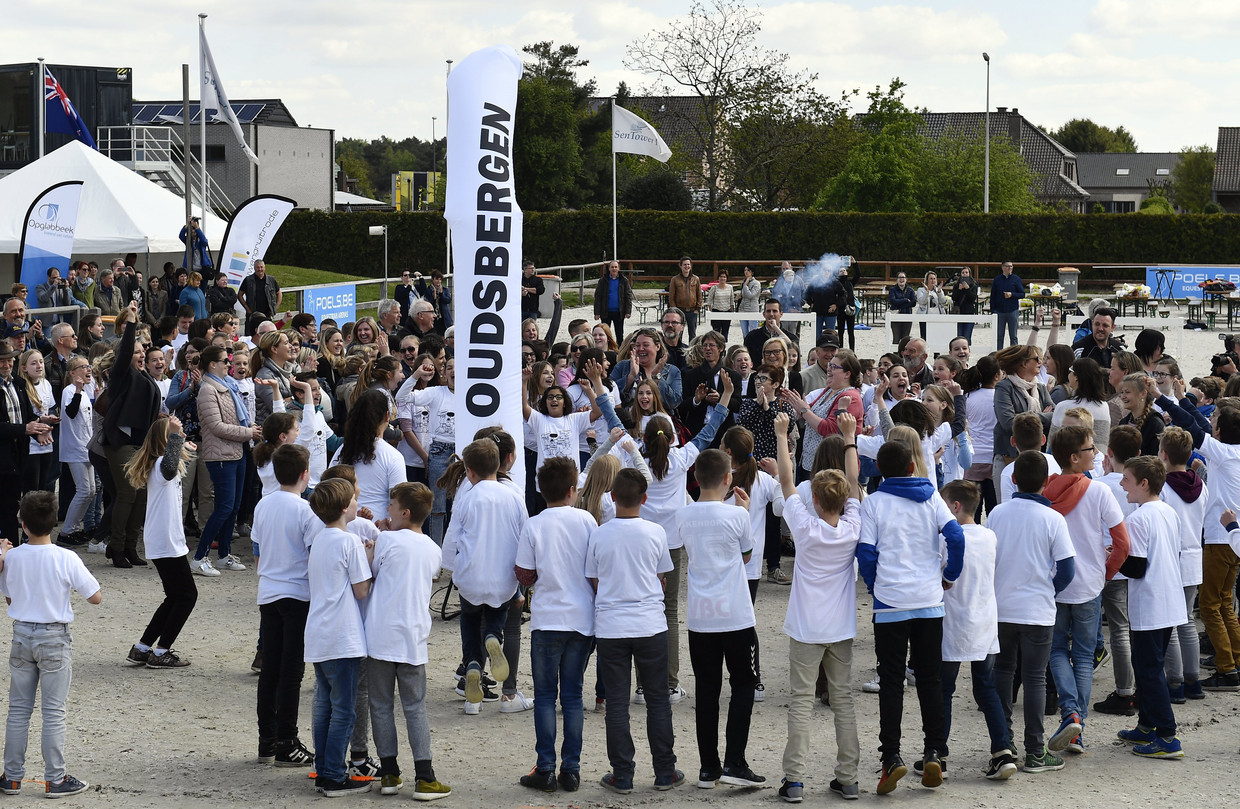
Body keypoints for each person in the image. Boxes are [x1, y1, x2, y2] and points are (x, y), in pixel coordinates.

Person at [857, 438, 964, 793]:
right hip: (929, 600)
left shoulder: (873, 503)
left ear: (880, 471)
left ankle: (891, 758)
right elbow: (956, 537)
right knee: (931, 679)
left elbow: (867, 554)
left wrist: (875, 588)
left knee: (891, 682)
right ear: (911, 467)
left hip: (891, 604)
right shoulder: (932, 496)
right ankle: (935, 750)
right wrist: (949, 575)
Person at [772, 410, 861, 801]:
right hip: (840, 626)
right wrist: (849, 438)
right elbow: (856, 483)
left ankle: (794, 779)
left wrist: (782, 435)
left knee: (801, 702)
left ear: (815, 498)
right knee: (842, 700)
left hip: (807, 626)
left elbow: (787, 480)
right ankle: (849, 775)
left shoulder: (805, 529)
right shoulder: (853, 525)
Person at [586, 468, 683, 794]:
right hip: (650, 625)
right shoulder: (656, 533)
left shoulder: (599, 534)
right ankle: (665, 770)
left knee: (616, 704)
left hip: (612, 625)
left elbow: (594, 579)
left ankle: (623, 773)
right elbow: (662, 576)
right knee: (657, 700)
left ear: (612, 497)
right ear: (645, 498)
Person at [0, 491, 101, 798]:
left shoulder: (12, 557)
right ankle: (55, 778)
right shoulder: (66, 557)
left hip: (22, 635)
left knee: (18, 709)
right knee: (53, 711)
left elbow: (9, 597)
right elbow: (95, 597)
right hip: (54, 636)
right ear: (54, 521)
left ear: (23, 524)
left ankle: (12, 776)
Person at [676, 449, 763, 789]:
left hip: (701, 617)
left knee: (707, 689)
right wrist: (743, 510)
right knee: (743, 682)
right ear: (728, 479)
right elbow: (745, 555)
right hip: (735, 614)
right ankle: (735, 761)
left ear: (696, 479)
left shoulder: (684, 516)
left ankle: (709, 767)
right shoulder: (737, 516)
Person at [1043, 425, 1130, 754]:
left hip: (1054, 585)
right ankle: (1077, 728)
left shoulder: (1045, 493)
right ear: (1074, 457)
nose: (1096, 453)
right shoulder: (1099, 492)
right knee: (1082, 656)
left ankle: (1071, 714)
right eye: (1090, 448)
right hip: (1090, 585)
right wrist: (1105, 574)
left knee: (1056, 653)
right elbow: (1122, 544)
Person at [989, 451, 1076, 774]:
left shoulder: (997, 513)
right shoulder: (1054, 518)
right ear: (1047, 482)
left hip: (1002, 606)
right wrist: (1048, 589)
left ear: (1013, 479)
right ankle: (1036, 751)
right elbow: (1067, 568)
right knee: (1035, 679)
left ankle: (1003, 744)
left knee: (1003, 673)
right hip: (1037, 609)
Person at [514, 457, 597, 794]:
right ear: (573, 490)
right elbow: (595, 570)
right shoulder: (588, 520)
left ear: (540, 489)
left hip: (548, 618)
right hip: (581, 618)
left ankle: (545, 767)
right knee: (573, 696)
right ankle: (571, 769)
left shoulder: (534, 524)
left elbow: (524, 573)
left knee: (546, 696)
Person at [364, 482, 451, 800]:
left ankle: (389, 773)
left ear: (404, 512)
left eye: (391, 505)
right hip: (412, 636)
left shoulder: (384, 541)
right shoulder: (432, 548)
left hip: (379, 635)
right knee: (415, 707)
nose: (386, 509)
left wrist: (376, 542)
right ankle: (425, 775)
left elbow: (372, 571)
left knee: (381, 705)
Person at [935, 480, 1018, 781]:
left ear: (955, 507)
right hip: (984, 622)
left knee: (943, 689)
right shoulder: (989, 536)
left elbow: (943, 576)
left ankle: (938, 754)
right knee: (987, 689)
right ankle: (1003, 751)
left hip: (953, 622)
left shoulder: (947, 540)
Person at [441, 439, 527, 714]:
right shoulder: (513, 496)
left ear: (469, 472)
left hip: (471, 577)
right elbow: (524, 536)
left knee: (469, 619)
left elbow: (453, 538)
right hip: (503, 579)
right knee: (495, 616)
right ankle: (493, 637)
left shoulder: (467, 498)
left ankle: (473, 663)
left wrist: (451, 569)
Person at [304, 478, 374, 797]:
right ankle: (333, 773)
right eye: (354, 499)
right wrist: (370, 560)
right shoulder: (348, 542)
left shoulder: (319, 539)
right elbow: (362, 589)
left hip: (319, 633)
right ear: (346, 508)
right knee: (344, 709)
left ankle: (324, 766)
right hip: (342, 635)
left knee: (324, 705)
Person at [1116, 456, 1188, 758]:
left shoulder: (1138, 518)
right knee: (1147, 665)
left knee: (1148, 669)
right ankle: (1146, 724)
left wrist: (1114, 553)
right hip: (1169, 597)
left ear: (1144, 484)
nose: (1122, 484)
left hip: (1150, 601)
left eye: (1127, 480)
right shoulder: (1169, 512)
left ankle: (1168, 735)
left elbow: (1136, 567)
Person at [121, 415, 198, 669]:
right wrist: (176, 435)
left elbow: (172, 465)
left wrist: (181, 443)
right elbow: (169, 467)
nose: (180, 434)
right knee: (187, 596)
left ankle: (143, 648)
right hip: (165, 541)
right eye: (174, 434)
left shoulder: (162, 463)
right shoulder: (161, 465)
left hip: (164, 539)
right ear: (166, 440)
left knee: (175, 596)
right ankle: (161, 651)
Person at [192, 345, 262, 576]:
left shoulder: (228, 386)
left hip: (237, 452)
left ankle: (224, 555)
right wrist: (248, 433)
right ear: (213, 364)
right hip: (220, 455)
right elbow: (215, 426)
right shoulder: (207, 390)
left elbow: (236, 418)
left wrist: (250, 427)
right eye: (225, 361)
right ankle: (199, 556)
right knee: (223, 507)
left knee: (232, 507)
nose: (229, 365)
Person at [104, 305, 162, 567]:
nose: (141, 354)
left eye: (143, 351)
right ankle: (115, 547)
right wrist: (129, 324)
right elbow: (126, 349)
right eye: (137, 352)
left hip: (142, 445)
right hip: (121, 444)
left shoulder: (146, 376)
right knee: (128, 493)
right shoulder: (120, 376)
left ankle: (130, 546)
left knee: (141, 496)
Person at [1191, 404, 1240, 691]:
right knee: (1223, 602)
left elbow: (1192, 423)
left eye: (1215, 420)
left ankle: (1226, 669)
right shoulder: (1232, 454)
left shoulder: (1222, 453)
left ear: (1219, 431)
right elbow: (1196, 419)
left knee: (1209, 606)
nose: (1211, 422)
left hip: (1220, 540)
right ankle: (1234, 658)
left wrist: (1162, 396)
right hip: (1232, 540)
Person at [1159, 427, 1207, 702]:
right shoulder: (1202, 487)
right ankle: (1193, 680)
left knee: (1171, 622)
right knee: (1187, 621)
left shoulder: (1164, 489)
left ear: (1163, 455)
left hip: (1172, 558)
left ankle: (1175, 681)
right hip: (1193, 556)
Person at [743, 299, 797, 365]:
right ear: (764, 314)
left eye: (774, 311)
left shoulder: (791, 337)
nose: (771, 314)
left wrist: (776, 328)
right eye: (768, 311)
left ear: (781, 314)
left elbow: (793, 354)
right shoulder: (752, 337)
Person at [593, 260, 632, 344]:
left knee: (619, 334)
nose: (614, 269)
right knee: (605, 333)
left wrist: (628, 311)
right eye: (612, 267)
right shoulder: (603, 280)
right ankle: (605, 349)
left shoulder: (624, 280)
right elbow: (598, 297)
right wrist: (596, 312)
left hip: (619, 312)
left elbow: (628, 296)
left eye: (616, 267)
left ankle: (620, 351)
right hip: (605, 311)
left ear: (618, 268)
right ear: (609, 268)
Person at [991, 261, 1024, 349]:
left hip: (1012, 310)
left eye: (1011, 266)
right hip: (999, 311)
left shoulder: (1016, 279)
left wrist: (1012, 295)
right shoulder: (997, 279)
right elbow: (992, 296)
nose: (1009, 268)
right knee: (999, 336)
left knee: (1013, 336)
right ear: (1002, 267)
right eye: (1007, 266)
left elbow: (1022, 294)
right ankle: (998, 355)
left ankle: (1014, 355)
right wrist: (992, 310)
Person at [238, 261, 282, 327]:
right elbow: (239, 295)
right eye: (257, 267)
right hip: (252, 313)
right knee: (251, 334)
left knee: (266, 334)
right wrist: (246, 307)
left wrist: (276, 307)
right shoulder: (248, 280)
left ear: (264, 268)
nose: (260, 269)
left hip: (267, 314)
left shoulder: (271, 280)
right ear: (254, 268)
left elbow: (279, 293)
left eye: (261, 267)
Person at [668, 256, 703, 340]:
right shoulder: (675, 279)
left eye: (688, 264)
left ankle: (691, 351)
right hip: (679, 311)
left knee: (692, 334)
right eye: (684, 264)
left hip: (692, 311)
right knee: (678, 334)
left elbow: (699, 295)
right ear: (680, 266)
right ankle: (678, 351)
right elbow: (671, 296)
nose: (686, 266)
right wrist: (675, 311)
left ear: (691, 266)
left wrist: (698, 308)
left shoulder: (696, 279)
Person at [914, 271, 946, 341]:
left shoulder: (939, 290)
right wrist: (926, 291)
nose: (933, 280)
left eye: (934, 279)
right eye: (931, 278)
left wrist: (940, 292)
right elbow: (922, 301)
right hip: (925, 317)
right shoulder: (921, 290)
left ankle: (936, 352)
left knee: (937, 337)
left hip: (937, 317)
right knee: (924, 338)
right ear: (927, 280)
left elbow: (943, 301)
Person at [887, 272, 916, 346]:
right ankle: (895, 356)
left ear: (906, 279)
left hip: (907, 316)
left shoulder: (910, 290)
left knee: (905, 339)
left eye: (903, 277)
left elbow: (913, 303)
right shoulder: (892, 290)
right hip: (896, 317)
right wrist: (905, 300)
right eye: (899, 277)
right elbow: (893, 301)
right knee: (896, 338)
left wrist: (899, 304)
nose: (901, 279)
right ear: (897, 279)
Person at [706, 270, 736, 341]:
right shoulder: (714, 288)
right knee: (716, 333)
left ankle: (724, 349)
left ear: (726, 278)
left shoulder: (730, 287)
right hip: (716, 311)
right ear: (718, 278)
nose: (722, 278)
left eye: (724, 277)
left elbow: (732, 299)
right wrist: (711, 310)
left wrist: (732, 309)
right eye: (721, 277)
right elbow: (709, 300)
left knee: (725, 332)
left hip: (727, 312)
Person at [950, 268, 978, 342]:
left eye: (966, 272)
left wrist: (967, 289)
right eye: (963, 272)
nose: (965, 274)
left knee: (967, 337)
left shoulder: (973, 285)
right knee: (958, 336)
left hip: (969, 313)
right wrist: (959, 290)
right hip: (958, 313)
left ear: (969, 274)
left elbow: (973, 298)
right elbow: (954, 298)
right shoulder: (956, 285)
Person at [737, 266, 762, 336]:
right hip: (743, 309)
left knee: (753, 332)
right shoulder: (744, 282)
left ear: (752, 272)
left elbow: (751, 295)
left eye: (748, 270)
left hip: (752, 309)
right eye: (745, 270)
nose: (746, 272)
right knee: (744, 333)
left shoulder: (756, 283)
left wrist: (745, 286)